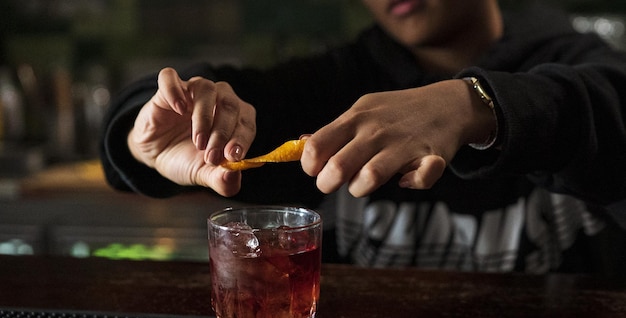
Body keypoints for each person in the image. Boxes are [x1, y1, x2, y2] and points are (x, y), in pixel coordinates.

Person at [100, 0, 626, 274]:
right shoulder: (332, 84)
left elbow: (606, 102)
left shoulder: (574, 60)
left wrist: (473, 104)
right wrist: (144, 138)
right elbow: (194, 97)